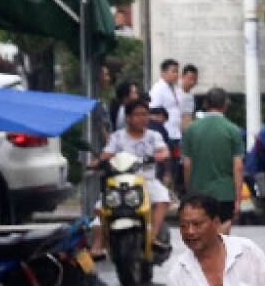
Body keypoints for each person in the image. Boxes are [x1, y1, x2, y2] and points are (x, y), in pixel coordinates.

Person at [98, 99, 171, 249]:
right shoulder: (117, 137)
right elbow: (106, 155)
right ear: (128, 117)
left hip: (147, 181)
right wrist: (97, 162)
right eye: (138, 114)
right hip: (120, 182)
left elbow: (164, 152)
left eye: (145, 114)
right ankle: (98, 245)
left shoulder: (154, 136)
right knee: (100, 207)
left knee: (163, 199)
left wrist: (155, 157)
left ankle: (153, 238)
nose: (142, 118)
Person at [182, 87, 246, 233]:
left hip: (199, 192)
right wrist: (237, 198)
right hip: (225, 193)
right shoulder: (232, 130)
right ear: (225, 104)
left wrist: (189, 191)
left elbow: (187, 165)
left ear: (205, 104)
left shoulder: (191, 130)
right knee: (222, 234)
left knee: (201, 232)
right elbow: (238, 167)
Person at [148, 59, 185, 144]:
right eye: (173, 71)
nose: (176, 75)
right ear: (163, 73)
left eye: (177, 72)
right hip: (165, 132)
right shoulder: (158, 89)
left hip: (177, 132)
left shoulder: (177, 89)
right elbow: (154, 111)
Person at [178, 64, 199, 133]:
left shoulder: (191, 96)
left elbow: (190, 115)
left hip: (188, 133)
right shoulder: (176, 94)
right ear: (182, 77)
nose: (192, 82)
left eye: (195, 79)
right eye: (190, 79)